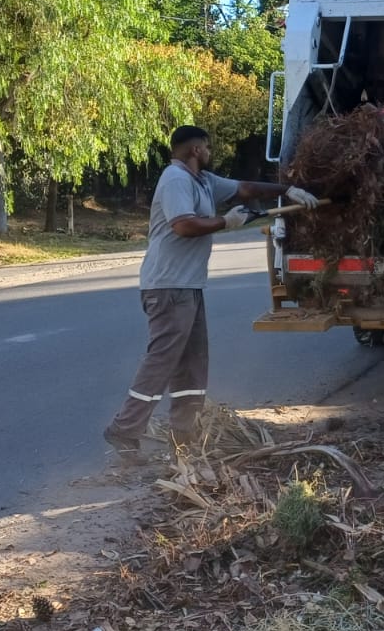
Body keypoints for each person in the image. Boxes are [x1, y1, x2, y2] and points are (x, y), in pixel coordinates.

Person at [104, 125, 319, 456]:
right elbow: (183, 225)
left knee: (192, 363)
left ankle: (184, 436)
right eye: (207, 147)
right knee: (162, 360)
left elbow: (244, 188)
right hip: (167, 285)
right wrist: (226, 223)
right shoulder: (175, 180)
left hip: (187, 285)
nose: (210, 152)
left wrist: (287, 190)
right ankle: (124, 429)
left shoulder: (202, 181)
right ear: (194, 150)